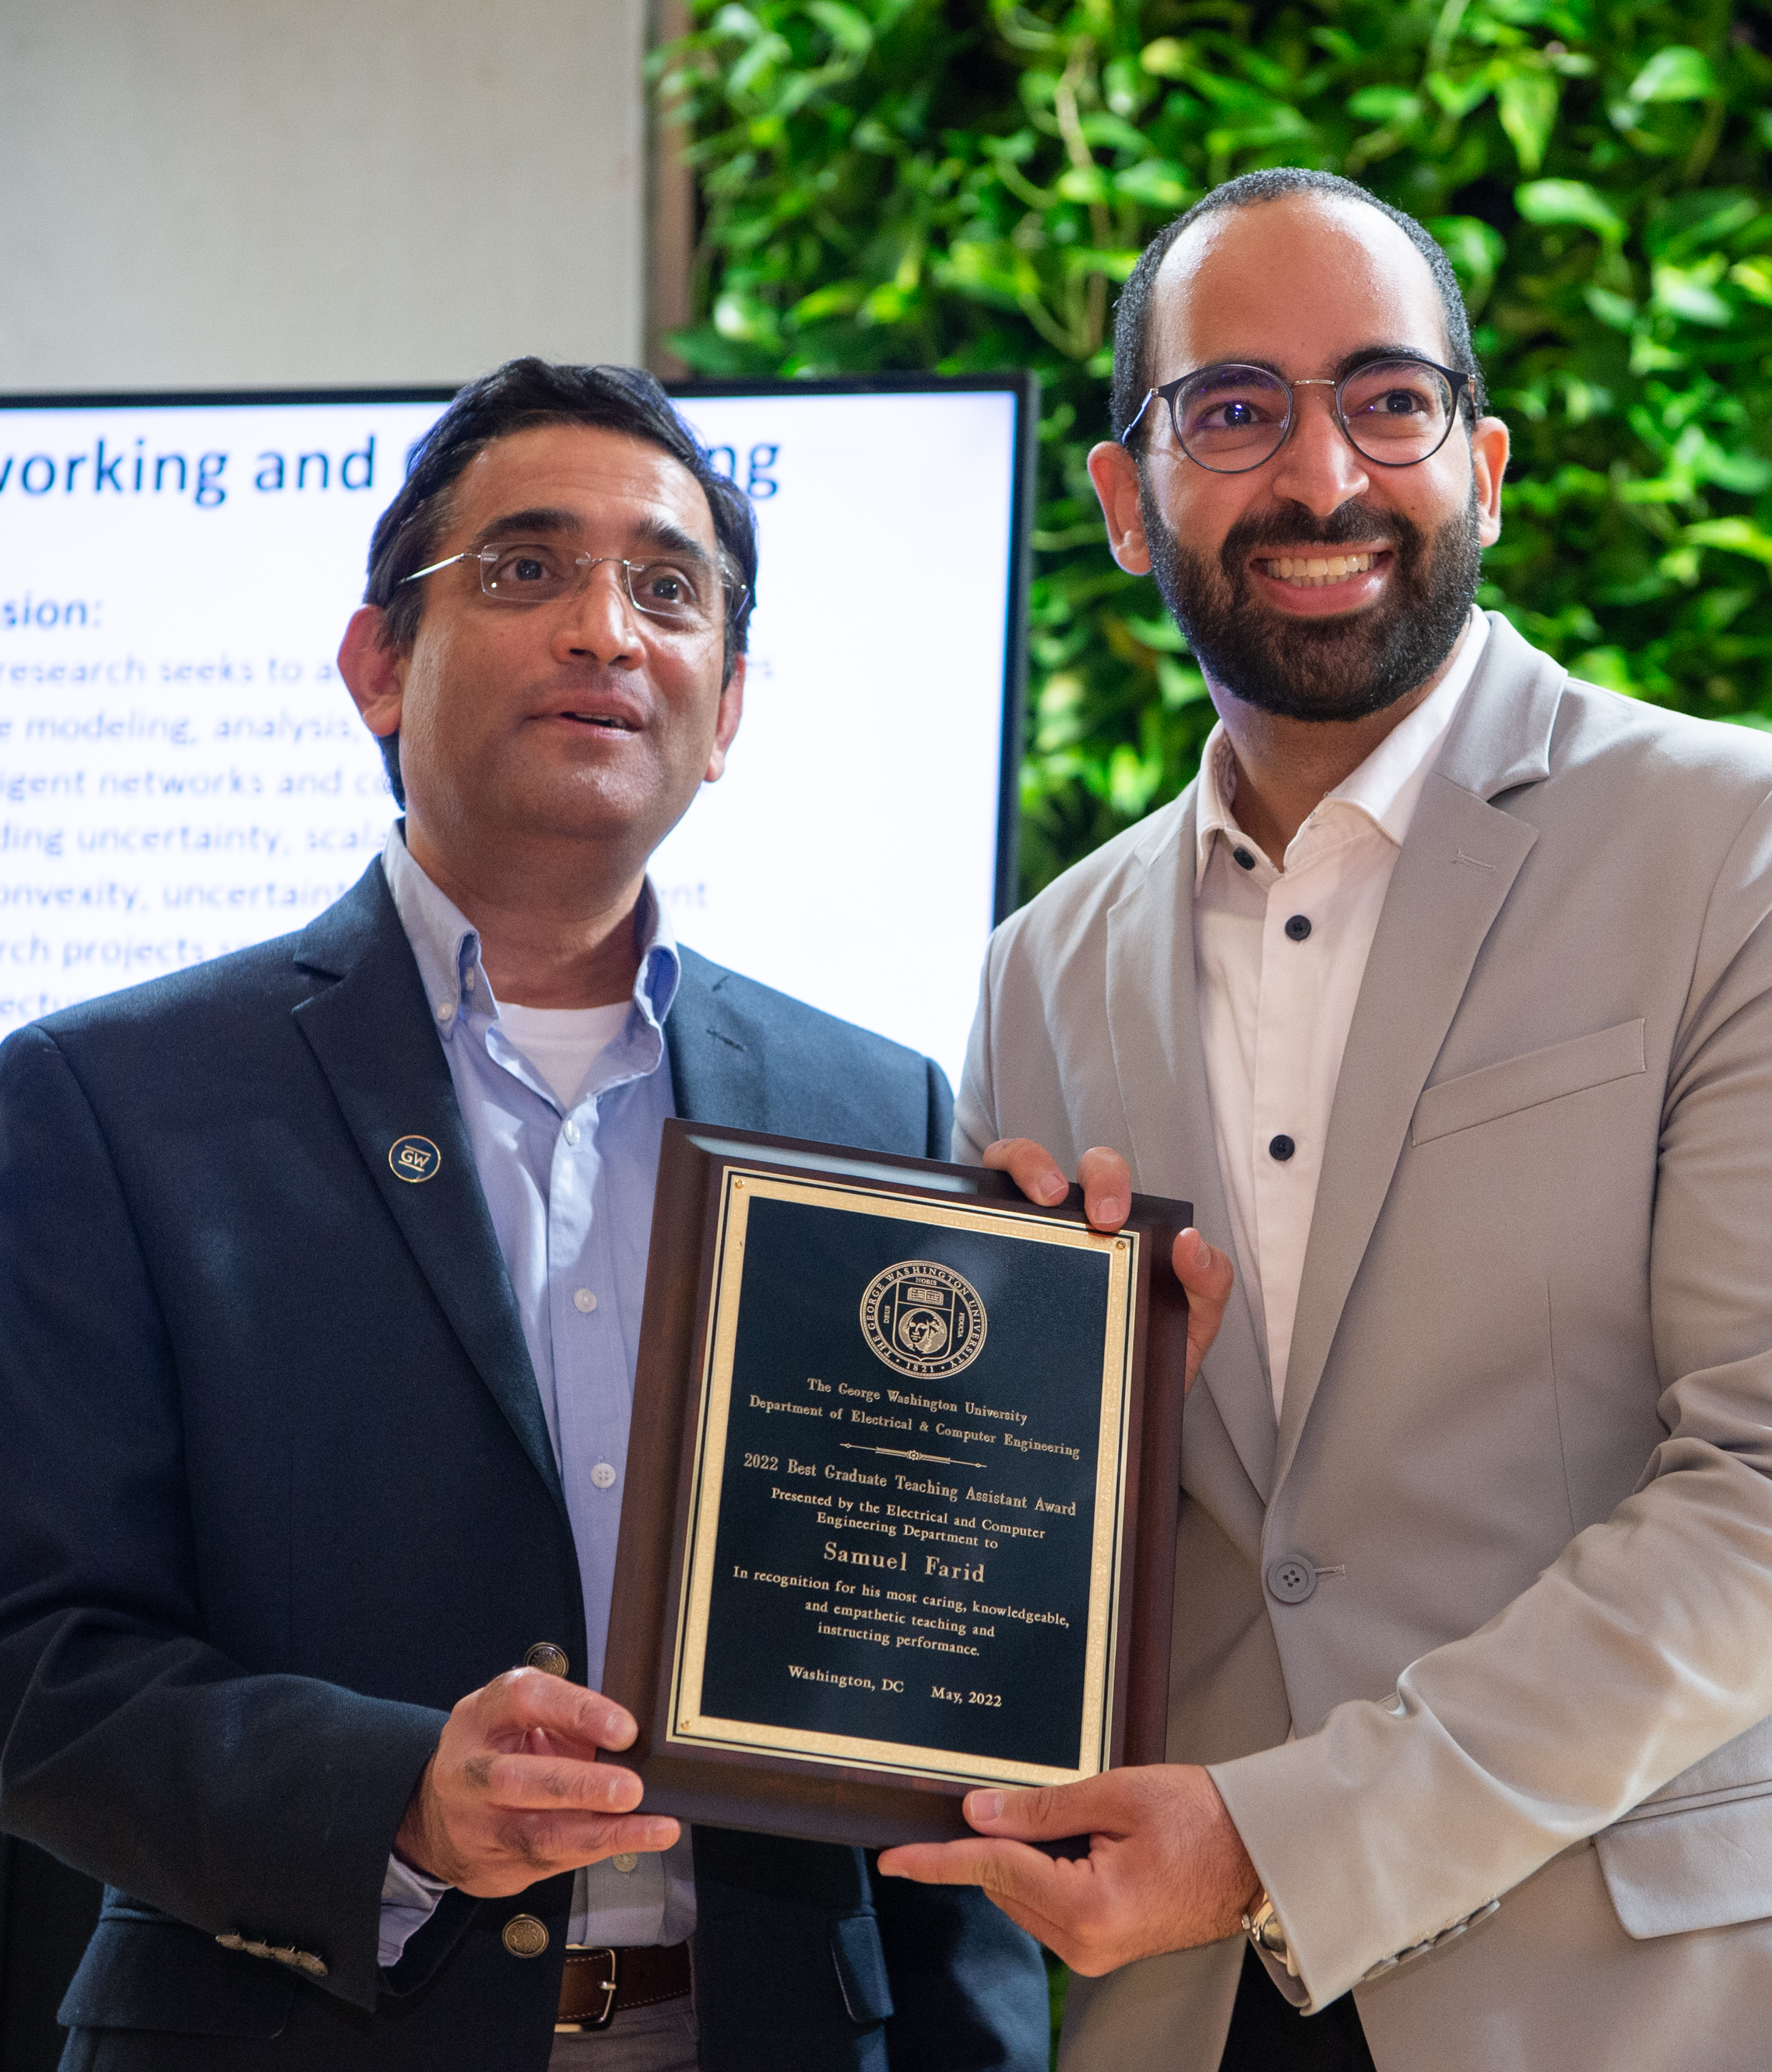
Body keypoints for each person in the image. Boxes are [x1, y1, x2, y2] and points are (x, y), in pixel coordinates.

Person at [876, 169, 1772, 2071]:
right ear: (1125, 501)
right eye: (1232, 409)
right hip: (1199, 2015)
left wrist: (1285, 1836)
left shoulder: (1759, 847)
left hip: (1675, 1998)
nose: (1324, 476)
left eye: (1388, 400)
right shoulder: (1043, 968)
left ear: (1485, 461)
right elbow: (1072, 1570)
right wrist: (1016, 1403)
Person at [0, 359, 1049, 2071]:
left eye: (668, 588)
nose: (605, 629)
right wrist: (398, 1799)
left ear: (728, 709)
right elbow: (36, 1653)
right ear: (375, 665)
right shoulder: (107, 1100)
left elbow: (918, 1693)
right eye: (524, 567)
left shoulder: (874, 1114)